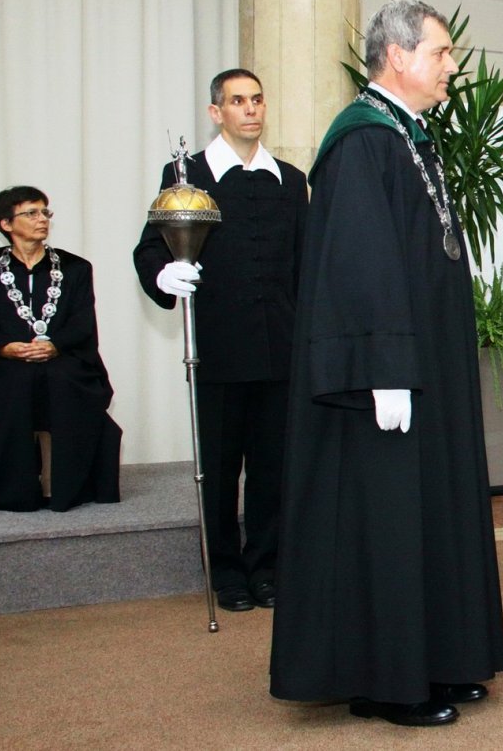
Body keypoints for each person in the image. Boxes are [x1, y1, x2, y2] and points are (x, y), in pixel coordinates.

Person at [269, 0, 503, 728]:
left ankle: (438, 658)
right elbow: (359, 263)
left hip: (425, 363)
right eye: (441, 52)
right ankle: (386, 681)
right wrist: (384, 367)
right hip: (386, 373)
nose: (452, 66)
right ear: (397, 56)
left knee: (428, 509)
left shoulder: (407, 136)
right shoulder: (362, 141)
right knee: (388, 519)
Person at [133, 69, 307, 613]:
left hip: (280, 349)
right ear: (216, 112)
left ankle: (266, 568)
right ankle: (225, 572)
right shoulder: (188, 175)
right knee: (220, 469)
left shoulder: (290, 179)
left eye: (257, 99)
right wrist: (164, 274)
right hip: (218, 349)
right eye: (237, 101)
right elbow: (150, 248)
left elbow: (305, 264)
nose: (250, 109)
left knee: (272, 470)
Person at [0, 187, 121, 512]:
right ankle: (9, 490)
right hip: (4, 360)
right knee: (13, 382)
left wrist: (54, 346)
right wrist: (4, 348)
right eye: (31, 213)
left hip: (63, 357)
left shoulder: (75, 268)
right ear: (6, 224)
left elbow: (82, 324)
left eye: (45, 212)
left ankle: (68, 486)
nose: (42, 219)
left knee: (62, 380)